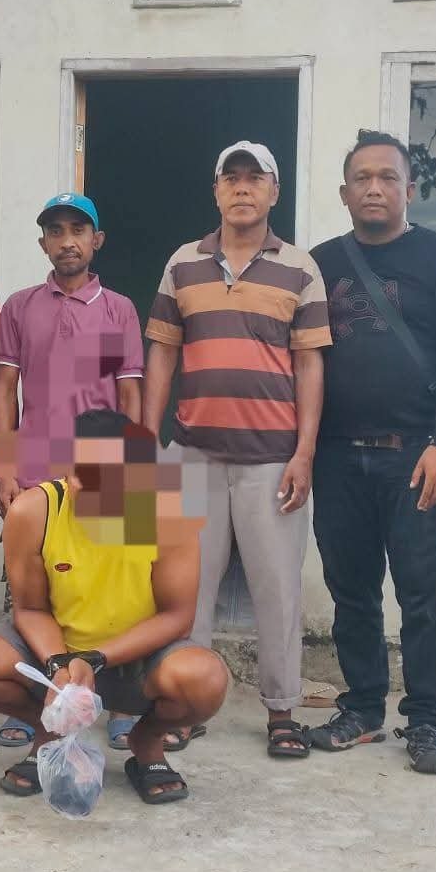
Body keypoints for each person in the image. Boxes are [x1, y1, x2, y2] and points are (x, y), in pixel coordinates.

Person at [143, 140, 331, 758]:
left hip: (272, 459)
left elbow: (309, 363)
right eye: (232, 177)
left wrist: (304, 452)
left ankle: (282, 711)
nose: (243, 187)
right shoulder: (182, 263)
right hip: (194, 453)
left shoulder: (300, 268)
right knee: (186, 590)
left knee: (277, 589)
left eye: (256, 178)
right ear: (217, 190)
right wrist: (146, 438)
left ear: (275, 191)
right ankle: (185, 704)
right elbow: (163, 351)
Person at [0, 409, 228, 804]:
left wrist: (95, 659)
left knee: (205, 679)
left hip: (138, 661)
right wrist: (59, 667)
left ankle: (146, 742)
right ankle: (50, 732)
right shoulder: (34, 512)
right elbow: (31, 609)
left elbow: (177, 616)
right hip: (57, 656)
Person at [305, 130, 436, 773]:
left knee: (423, 596)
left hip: (417, 455)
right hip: (336, 456)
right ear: (344, 193)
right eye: (362, 178)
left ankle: (428, 721)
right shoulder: (320, 263)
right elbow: (303, 359)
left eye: (387, 177)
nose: (374, 188)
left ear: (409, 188)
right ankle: (362, 708)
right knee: (351, 590)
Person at [0, 193, 148, 751]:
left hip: (104, 472)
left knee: (118, 590)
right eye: (55, 231)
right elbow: (5, 390)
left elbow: (130, 394)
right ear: (43, 244)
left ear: (96, 240)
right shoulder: (20, 307)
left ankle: (123, 704)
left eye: (78, 230)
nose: (67, 241)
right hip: (36, 473)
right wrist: (3, 467)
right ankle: (38, 702)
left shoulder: (119, 309)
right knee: (33, 590)